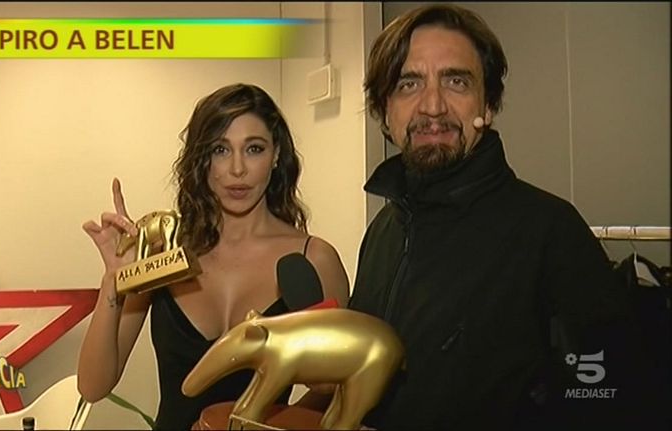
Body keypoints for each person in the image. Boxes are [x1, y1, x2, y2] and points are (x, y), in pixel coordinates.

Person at [301, 4, 653, 431]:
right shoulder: (383, 231)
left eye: (456, 81)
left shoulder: (551, 232)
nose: (433, 106)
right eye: (409, 83)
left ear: (487, 104)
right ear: (385, 112)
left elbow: (610, 399)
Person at [76, 83, 350, 431]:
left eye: (254, 148)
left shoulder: (314, 260)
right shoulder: (165, 251)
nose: (237, 169)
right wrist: (113, 281)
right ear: (202, 159)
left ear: (276, 155)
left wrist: (266, 422)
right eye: (221, 149)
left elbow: (338, 384)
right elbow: (93, 386)